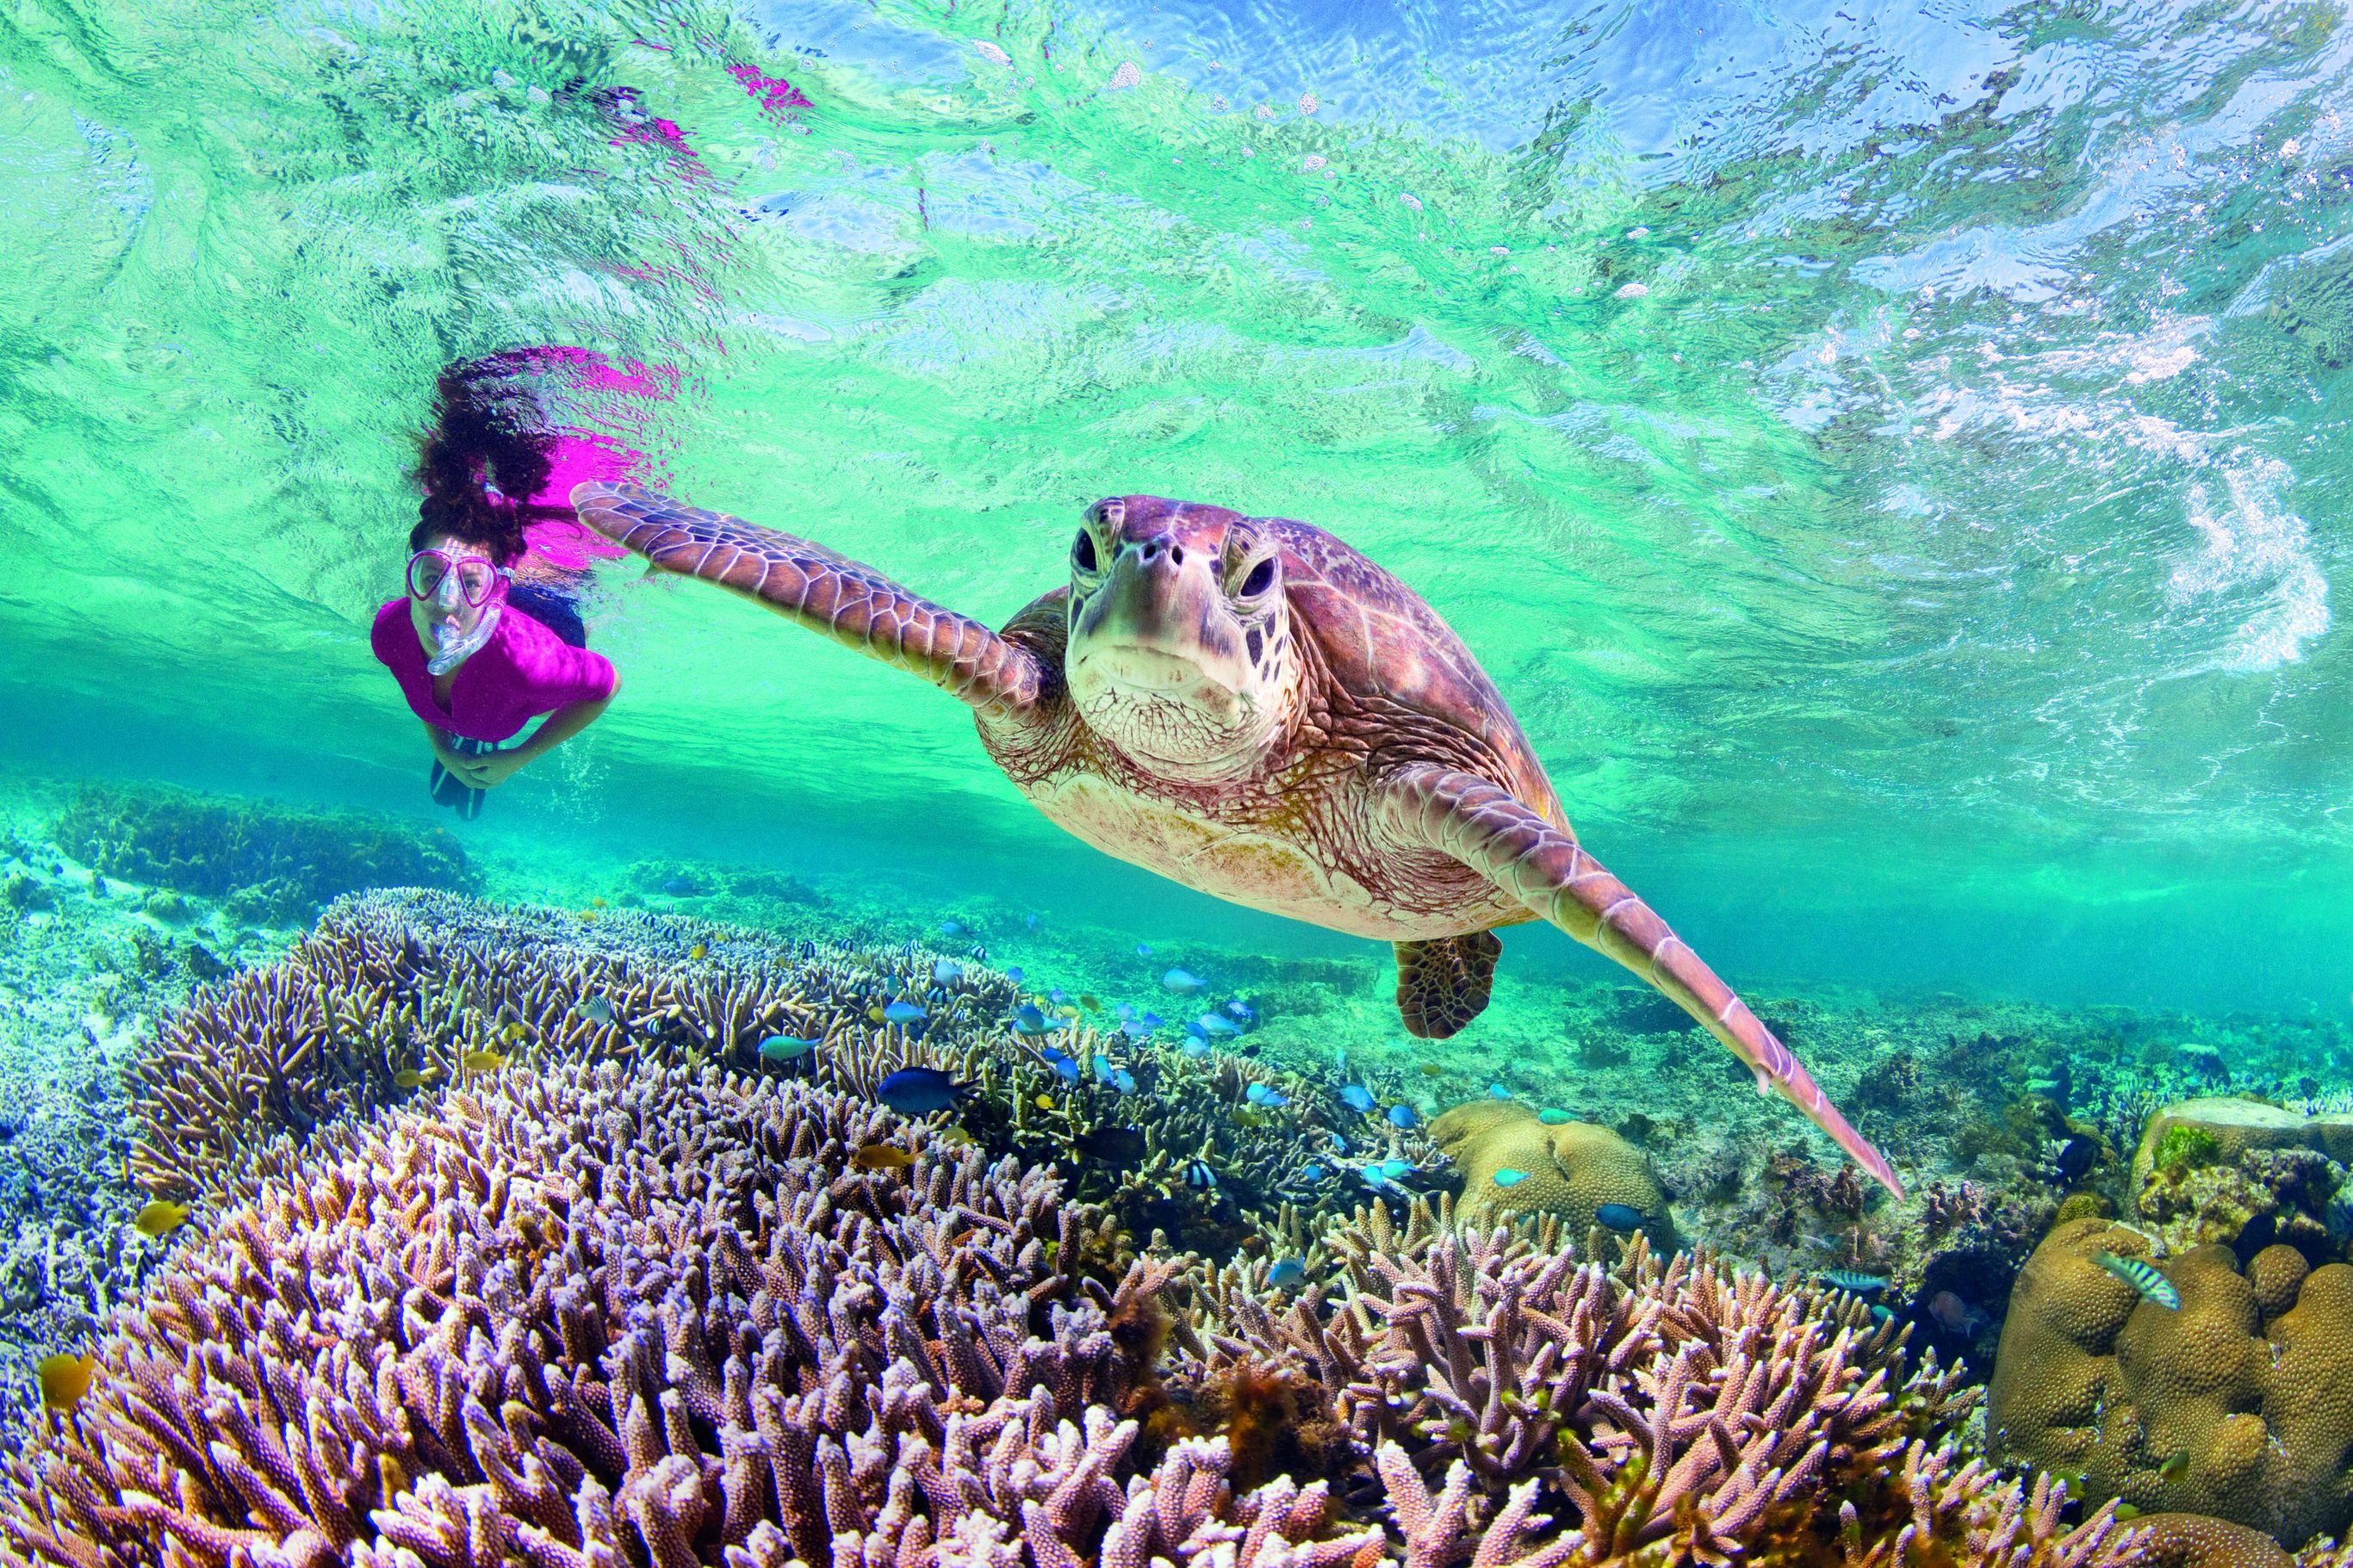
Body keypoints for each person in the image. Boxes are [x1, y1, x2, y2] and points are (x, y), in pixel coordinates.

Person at [373, 355, 622, 818]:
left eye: (469, 582)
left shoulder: (531, 666)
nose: (445, 601)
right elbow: (418, 680)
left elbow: (607, 685)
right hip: (484, 686)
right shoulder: (390, 629)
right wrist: (443, 748)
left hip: (550, 610)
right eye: (430, 575)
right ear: (410, 577)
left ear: (495, 591)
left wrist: (520, 756)